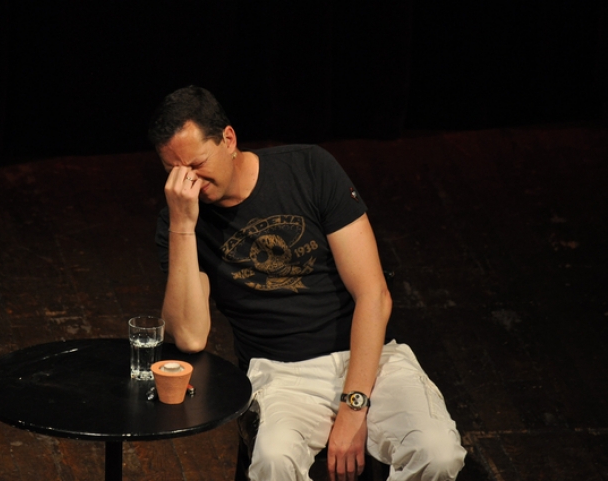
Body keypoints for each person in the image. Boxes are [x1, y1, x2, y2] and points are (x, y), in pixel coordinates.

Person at [149, 85, 466, 481]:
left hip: (368, 357)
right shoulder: (179, 221)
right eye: (175, 172)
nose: (189, 182)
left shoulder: (308, 168)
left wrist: (353, 405)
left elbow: (374, 296)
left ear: (228, 139)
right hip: (281, 375)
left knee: (438, 454)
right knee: (273, 461)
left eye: (196, 164)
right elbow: (190, 337)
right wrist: (182, 225)